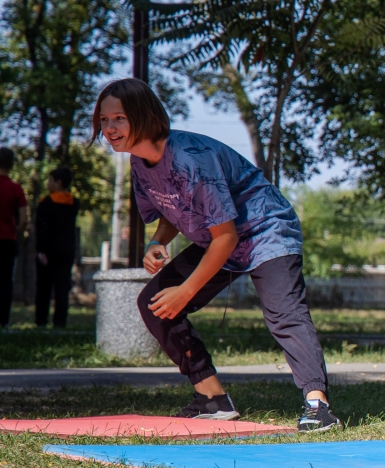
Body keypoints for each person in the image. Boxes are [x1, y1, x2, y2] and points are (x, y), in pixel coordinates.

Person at [89, 78, 339, 432]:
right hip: (221, 237)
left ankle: (318, 406)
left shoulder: (192, 158)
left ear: (144, 116)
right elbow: (173, 207)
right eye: (104, 121)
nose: (109, 129)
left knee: (284, 315)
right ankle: (213, 400)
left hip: (263, 230)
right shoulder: (139, 163)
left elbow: (226, 236)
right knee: (155, 304)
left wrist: (186, 291)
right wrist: (156, 242)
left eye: (119, 119)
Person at [34, 167, 80, 328]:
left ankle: (41, 321)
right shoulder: (74, 203)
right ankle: (60, 322)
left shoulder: (46, 203)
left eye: (51, 180)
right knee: (62, 287)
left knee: (44, 287)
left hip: (48, 250)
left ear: (58, 183)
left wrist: (40, 249)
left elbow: (41, 228)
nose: (48, 184)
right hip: (67, 250)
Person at [0, 147, 27, 329]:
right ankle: (3, 321)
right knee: (5, 282)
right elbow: (24, 218)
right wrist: (16, 230)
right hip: (8, 240)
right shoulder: (16, 188)